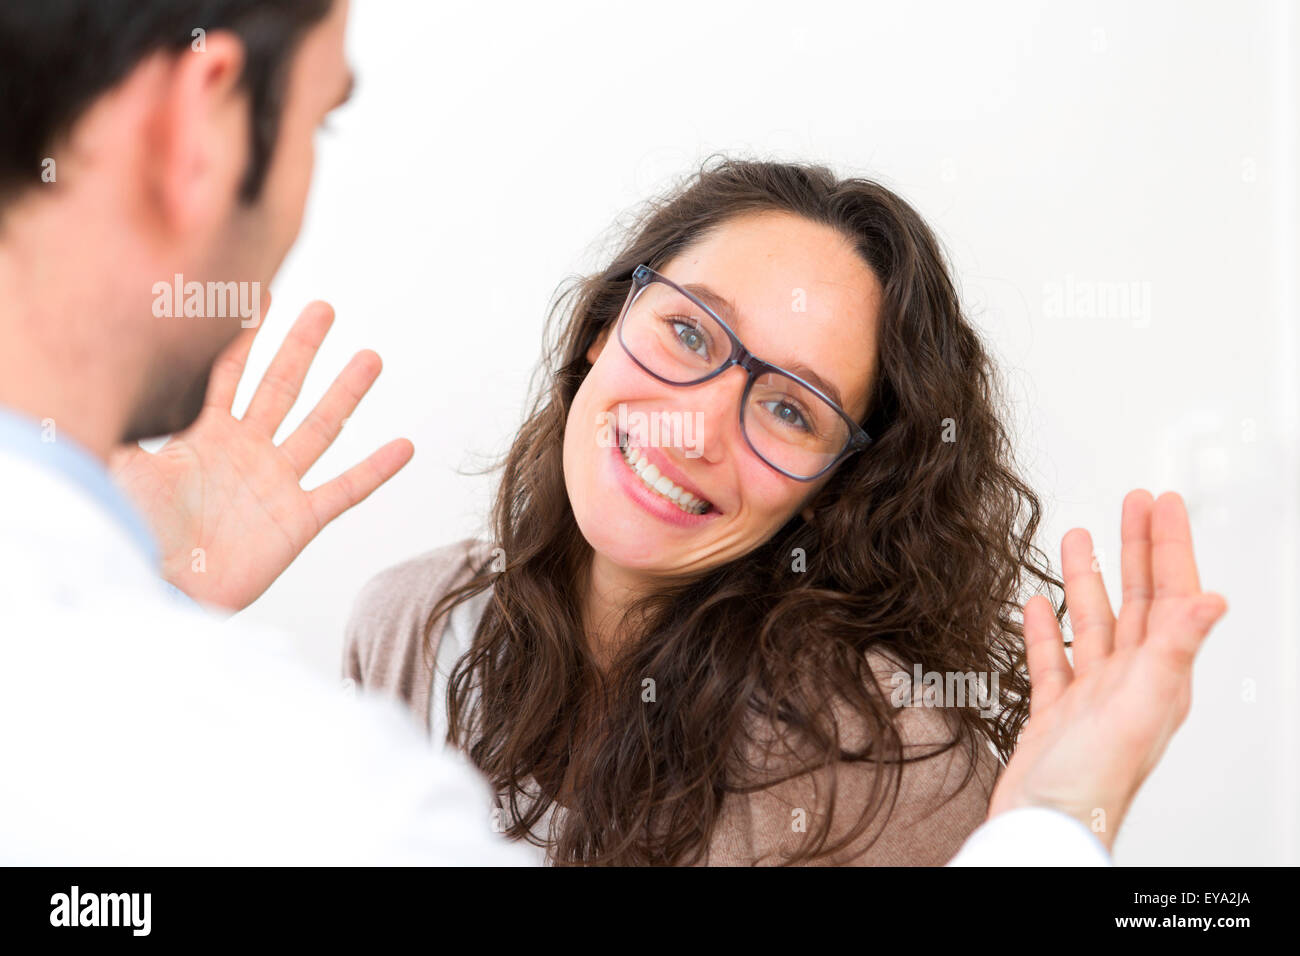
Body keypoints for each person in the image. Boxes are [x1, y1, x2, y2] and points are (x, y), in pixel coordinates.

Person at [0, 0, 1227, 866]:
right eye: (689, 334)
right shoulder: (407, 622)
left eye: (790, 407)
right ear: (602, 328)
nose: (697, 425)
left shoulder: (902, 754)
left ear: (837, 486)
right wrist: (146, 608)